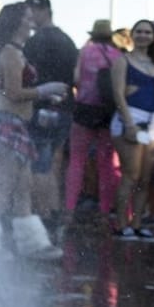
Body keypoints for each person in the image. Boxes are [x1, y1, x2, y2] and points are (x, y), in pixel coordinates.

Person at [0, 2, 68, 260]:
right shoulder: (10, 54)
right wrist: (47, 90)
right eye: (26, 16)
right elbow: (12, 93)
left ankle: (32, 244)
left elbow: (15, 93)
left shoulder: (15, 52)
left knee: (23, 187)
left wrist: (44, 96)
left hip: (16, 124)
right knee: (2, 187)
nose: (31, 18)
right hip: (8, 124)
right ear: (16, 22)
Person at [23, 0, 78, 227]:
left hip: (40, 107)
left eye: (30, 12)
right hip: (64, 109)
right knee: (52, 162)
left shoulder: (36, 41)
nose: (28, 18)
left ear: (42, 10)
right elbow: (76, 76)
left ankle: (42, 214)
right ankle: (53, 212)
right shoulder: (67, 40)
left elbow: (26, 75)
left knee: (40, 164)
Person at [110, 19, 154, 240]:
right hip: (130, 119)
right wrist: (129, 123)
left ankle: (137, 223)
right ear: (132, 35)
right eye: (139, 31)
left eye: (147, 32)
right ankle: (122, 223)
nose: (143, 35)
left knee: (145, 177)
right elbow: (118, 94)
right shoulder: (122, 61)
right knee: (130, 174)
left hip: (152, 123)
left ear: (153, 36)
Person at [63, 20, 122, 233]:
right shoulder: (118, 55)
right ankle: (105, 213)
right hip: (107, 112)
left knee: (77, 161)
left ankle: (69, 210)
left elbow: (76, 78)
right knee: (106, 164)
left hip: (85, 111)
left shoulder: (86, 51)